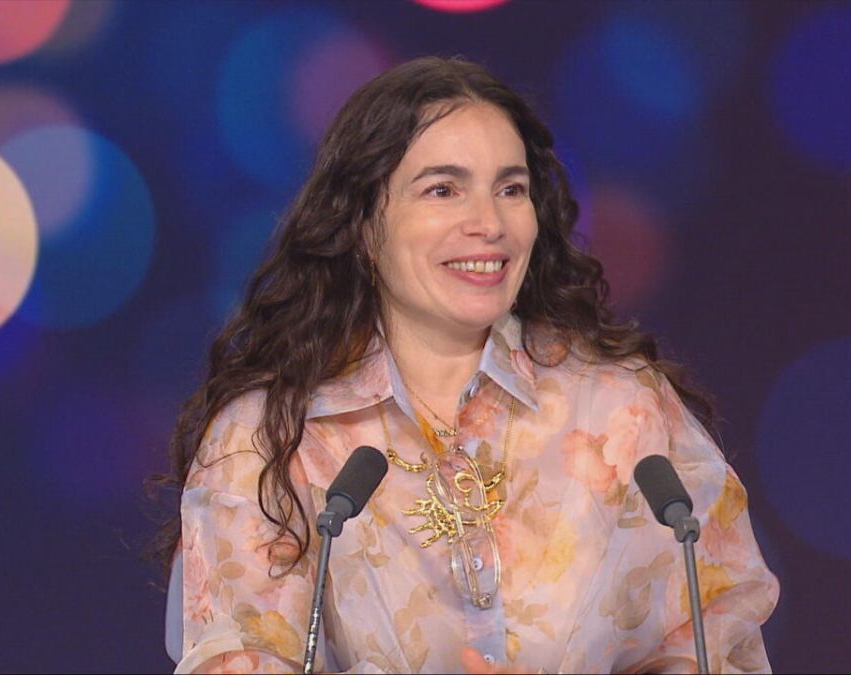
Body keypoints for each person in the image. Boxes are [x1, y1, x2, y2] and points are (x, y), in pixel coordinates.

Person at [154, 56, 778, 674]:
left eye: (511, 190)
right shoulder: (272, 437)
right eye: (443, 190)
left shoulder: (622, 410)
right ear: (363, 223)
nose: (489, 224)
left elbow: (719, 650)